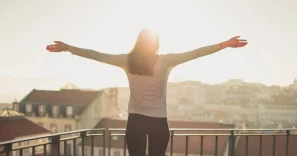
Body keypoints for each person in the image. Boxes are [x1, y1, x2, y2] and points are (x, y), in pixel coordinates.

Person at [46, 28, 248, 156]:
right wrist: (225, 45)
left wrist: (67, 47)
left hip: (135, 122)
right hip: (159, 123)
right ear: (157, 44)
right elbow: (196, 53)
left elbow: (97, 56)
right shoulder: (165, 61)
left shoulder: (127, 61)